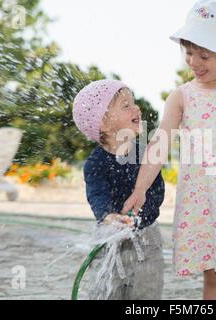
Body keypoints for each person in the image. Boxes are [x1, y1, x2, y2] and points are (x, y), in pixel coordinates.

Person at [122, 0, 216, 300]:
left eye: (204, 55)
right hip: (205, 201)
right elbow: (159, 143)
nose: (194, 62)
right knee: (214, 278)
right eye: (189, 52)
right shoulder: (182, 97)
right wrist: (140, 189)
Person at [72, 79, 165, 299]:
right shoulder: (95, 164)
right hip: (110, 237)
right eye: (126, 105)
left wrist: (141, 218)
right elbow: (96, 194)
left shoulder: (147, 155)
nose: (136, 108)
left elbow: (156, 191)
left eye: (134, 102)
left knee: (147, 291)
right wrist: (107, 215)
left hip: (147, 238)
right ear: (103, 124)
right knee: (107, 291)